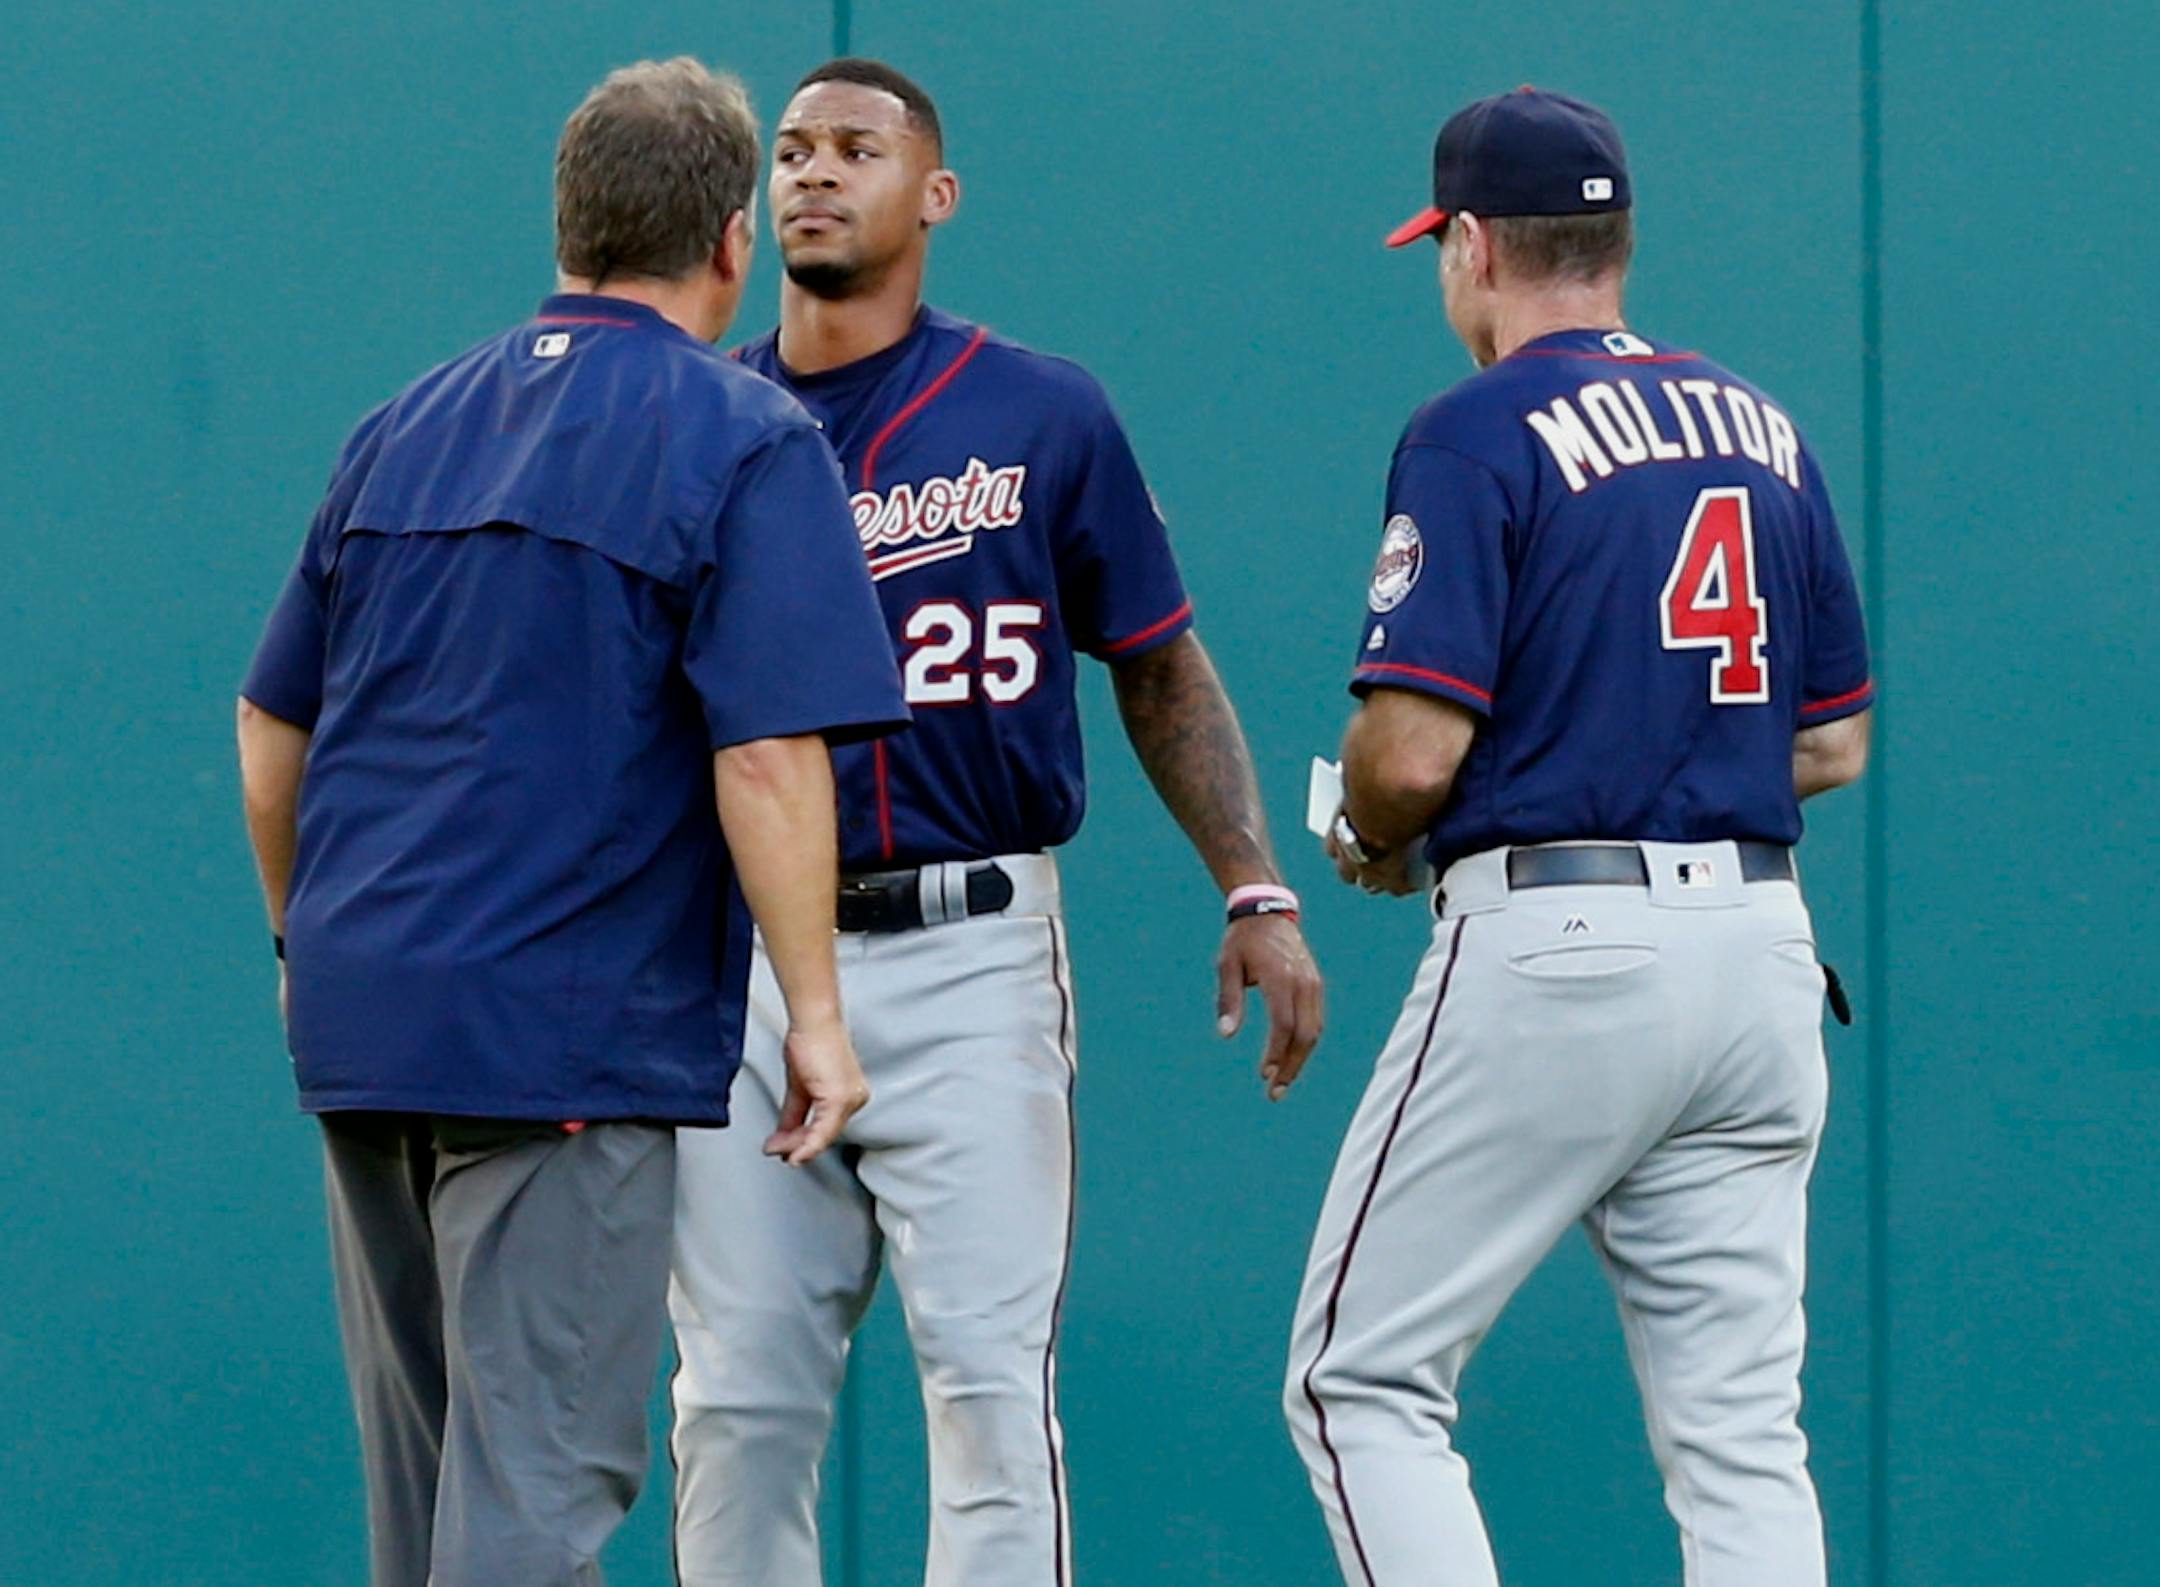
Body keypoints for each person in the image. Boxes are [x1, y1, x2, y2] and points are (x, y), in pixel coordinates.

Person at [234, 58, 908, 1587]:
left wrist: (295, 935)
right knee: (533, 1499)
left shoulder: (400, 426)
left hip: (366, 1016)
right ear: (732, 240)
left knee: (430, 1512)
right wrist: (817, 1017)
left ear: (569, 220)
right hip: (557, 1032)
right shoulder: (741, 435)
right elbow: (767, 760)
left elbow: (271, 729)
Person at [668, 56, 1326, 1587]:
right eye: (792, 150)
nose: (815, 175)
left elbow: (1157, 664)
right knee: (741, 1404)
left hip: (970, 953)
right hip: (751, 961)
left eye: (856, 150)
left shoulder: (1040, 410)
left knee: (985, 1389)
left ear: (935, 196)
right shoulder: (705, 416)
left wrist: (1256, 888)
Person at [1283, 88, 1873, 1587]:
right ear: (1614, 244)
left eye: (1442, 245)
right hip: (1759, 952)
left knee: (1361, 1381)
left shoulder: (1477, 429)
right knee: (1742, 1438)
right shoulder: (1765, 425)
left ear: (1474, 246)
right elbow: (1832, 740)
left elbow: (1412, 755)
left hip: (1558, 940)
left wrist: (1359, 822)